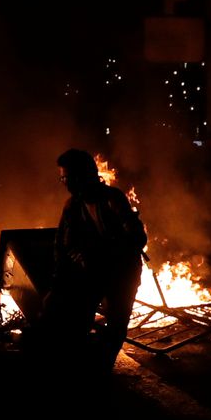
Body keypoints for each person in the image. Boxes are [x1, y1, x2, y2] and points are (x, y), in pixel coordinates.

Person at [35, 148, 148, 372]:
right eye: (62, 178)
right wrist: (59, 281)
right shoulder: (72, 205)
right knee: (75, 319)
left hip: (122, 274)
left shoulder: (112, 199)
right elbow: (62, 244)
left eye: (68, 177)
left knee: (116, 325)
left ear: (84, 175)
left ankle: (102, 369)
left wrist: (101, 253)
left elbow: (137, 237)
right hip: (93, 274)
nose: (65, 183)